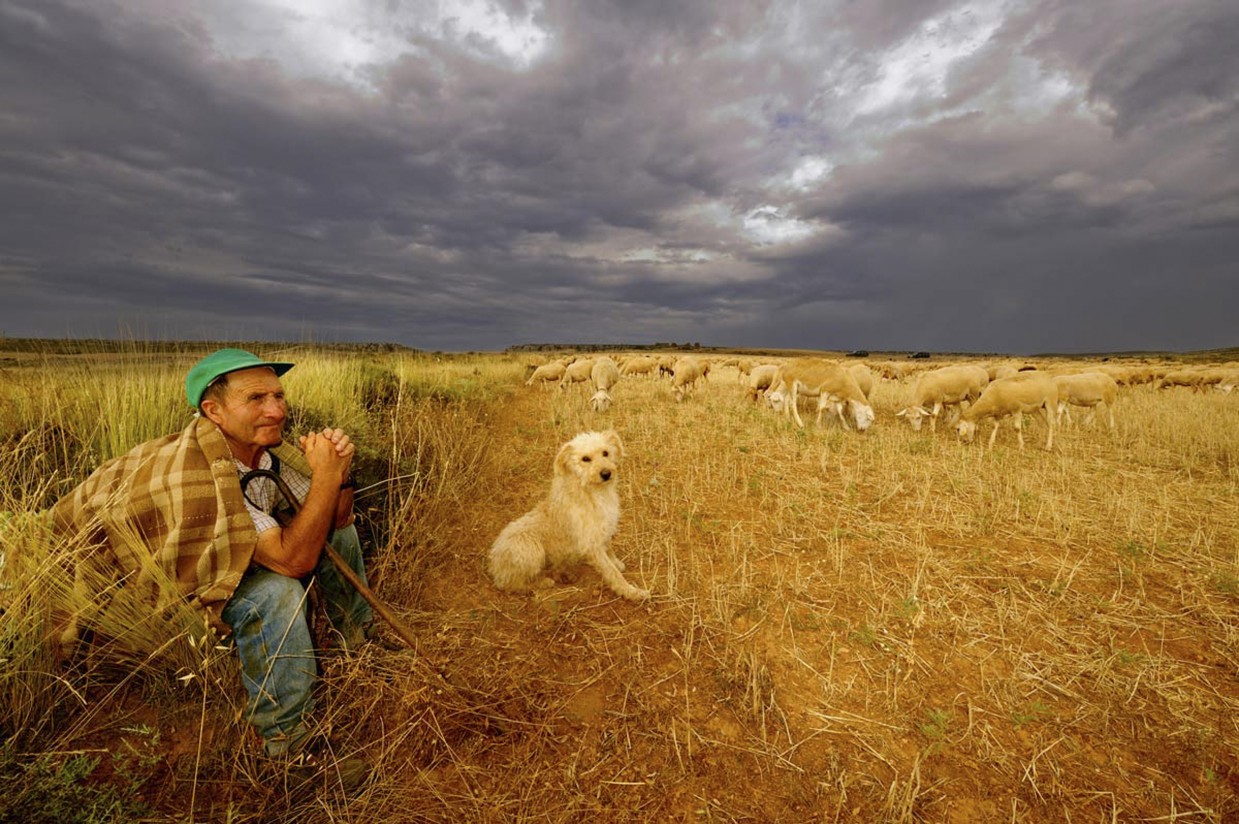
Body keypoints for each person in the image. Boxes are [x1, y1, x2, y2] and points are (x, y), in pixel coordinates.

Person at [51, 348, 373, 791]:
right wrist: (324, 479)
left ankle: (355, 642)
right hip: (168, 589)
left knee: (341, 537)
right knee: (275, 593)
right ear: (213, 411)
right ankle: (289, 752)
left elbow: (335, 519)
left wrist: (338, 473)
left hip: (237, 554)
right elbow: (291, 560)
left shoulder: (262, 455)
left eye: (278, 396)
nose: (277, 409)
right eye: (257, 399)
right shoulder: (209, 469)